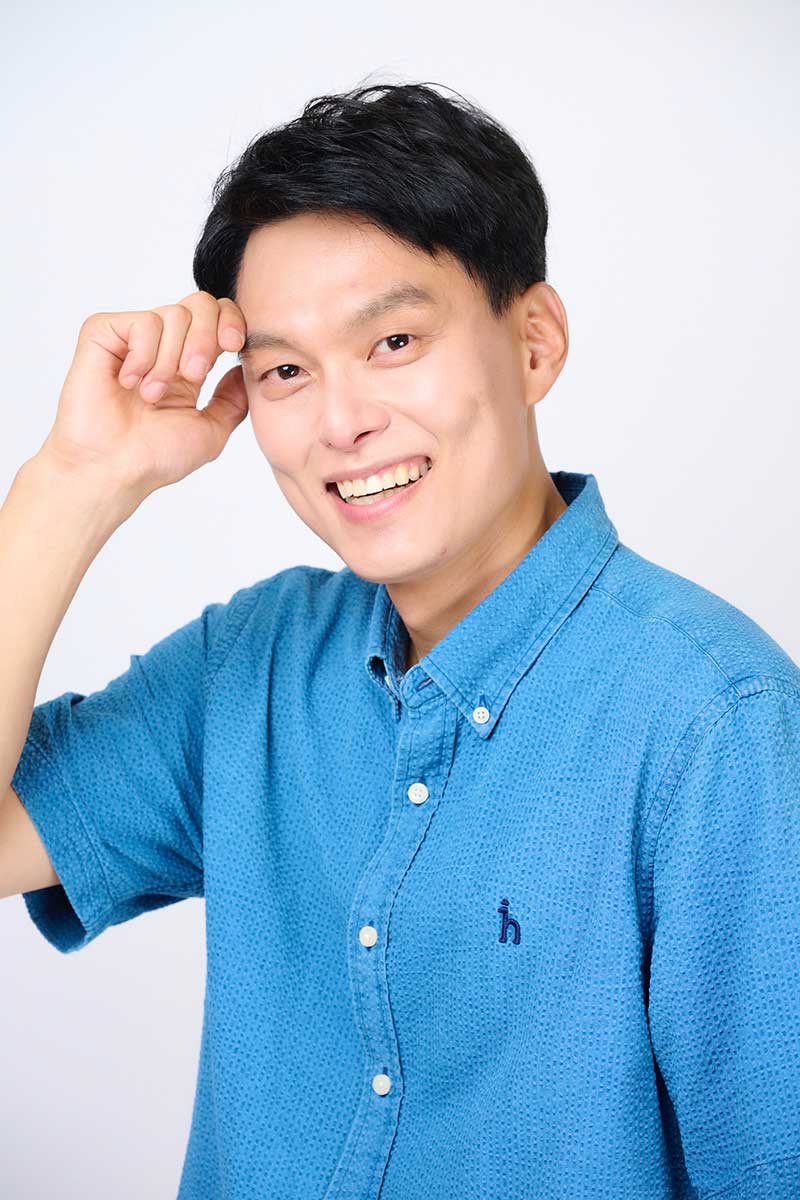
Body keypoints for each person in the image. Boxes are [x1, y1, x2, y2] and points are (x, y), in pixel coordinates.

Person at [1, 79, 799, 1200]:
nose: (341, 423)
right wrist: (71, 485)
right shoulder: (253, 663)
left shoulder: (713, 721)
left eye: (393, 340)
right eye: (285, 370)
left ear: (534, 342)